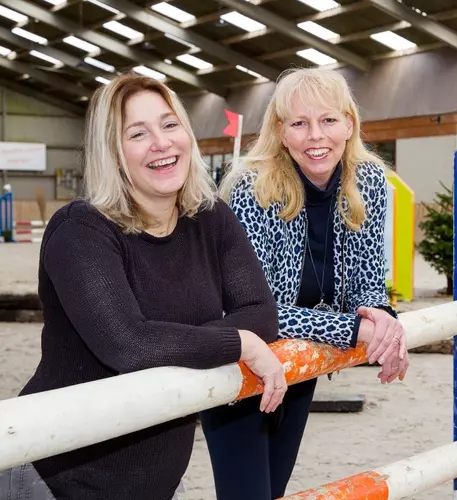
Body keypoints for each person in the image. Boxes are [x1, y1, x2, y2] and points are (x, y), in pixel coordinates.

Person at [0, 73, 287, 500]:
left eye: (170, 125)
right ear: (113, 154)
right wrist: (237, 342)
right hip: (60, 478)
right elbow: (128, 345)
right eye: (138, 133)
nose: (161, 142)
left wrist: (178, 341)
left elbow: (261, 311)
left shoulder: (210, 218)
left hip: (160, 481)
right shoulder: (80, 230)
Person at [201, 67, 410, 500]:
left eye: (328, 120)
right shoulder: (252, 187)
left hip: (301, 359)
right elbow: (258, 310)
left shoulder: (368, 182)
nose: (316, 136)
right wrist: (352, 330)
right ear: (281, 131)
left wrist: (381, 319)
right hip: (239, 364)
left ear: (349, 123)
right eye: (299, 123)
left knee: (274, 489)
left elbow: (367, 285)